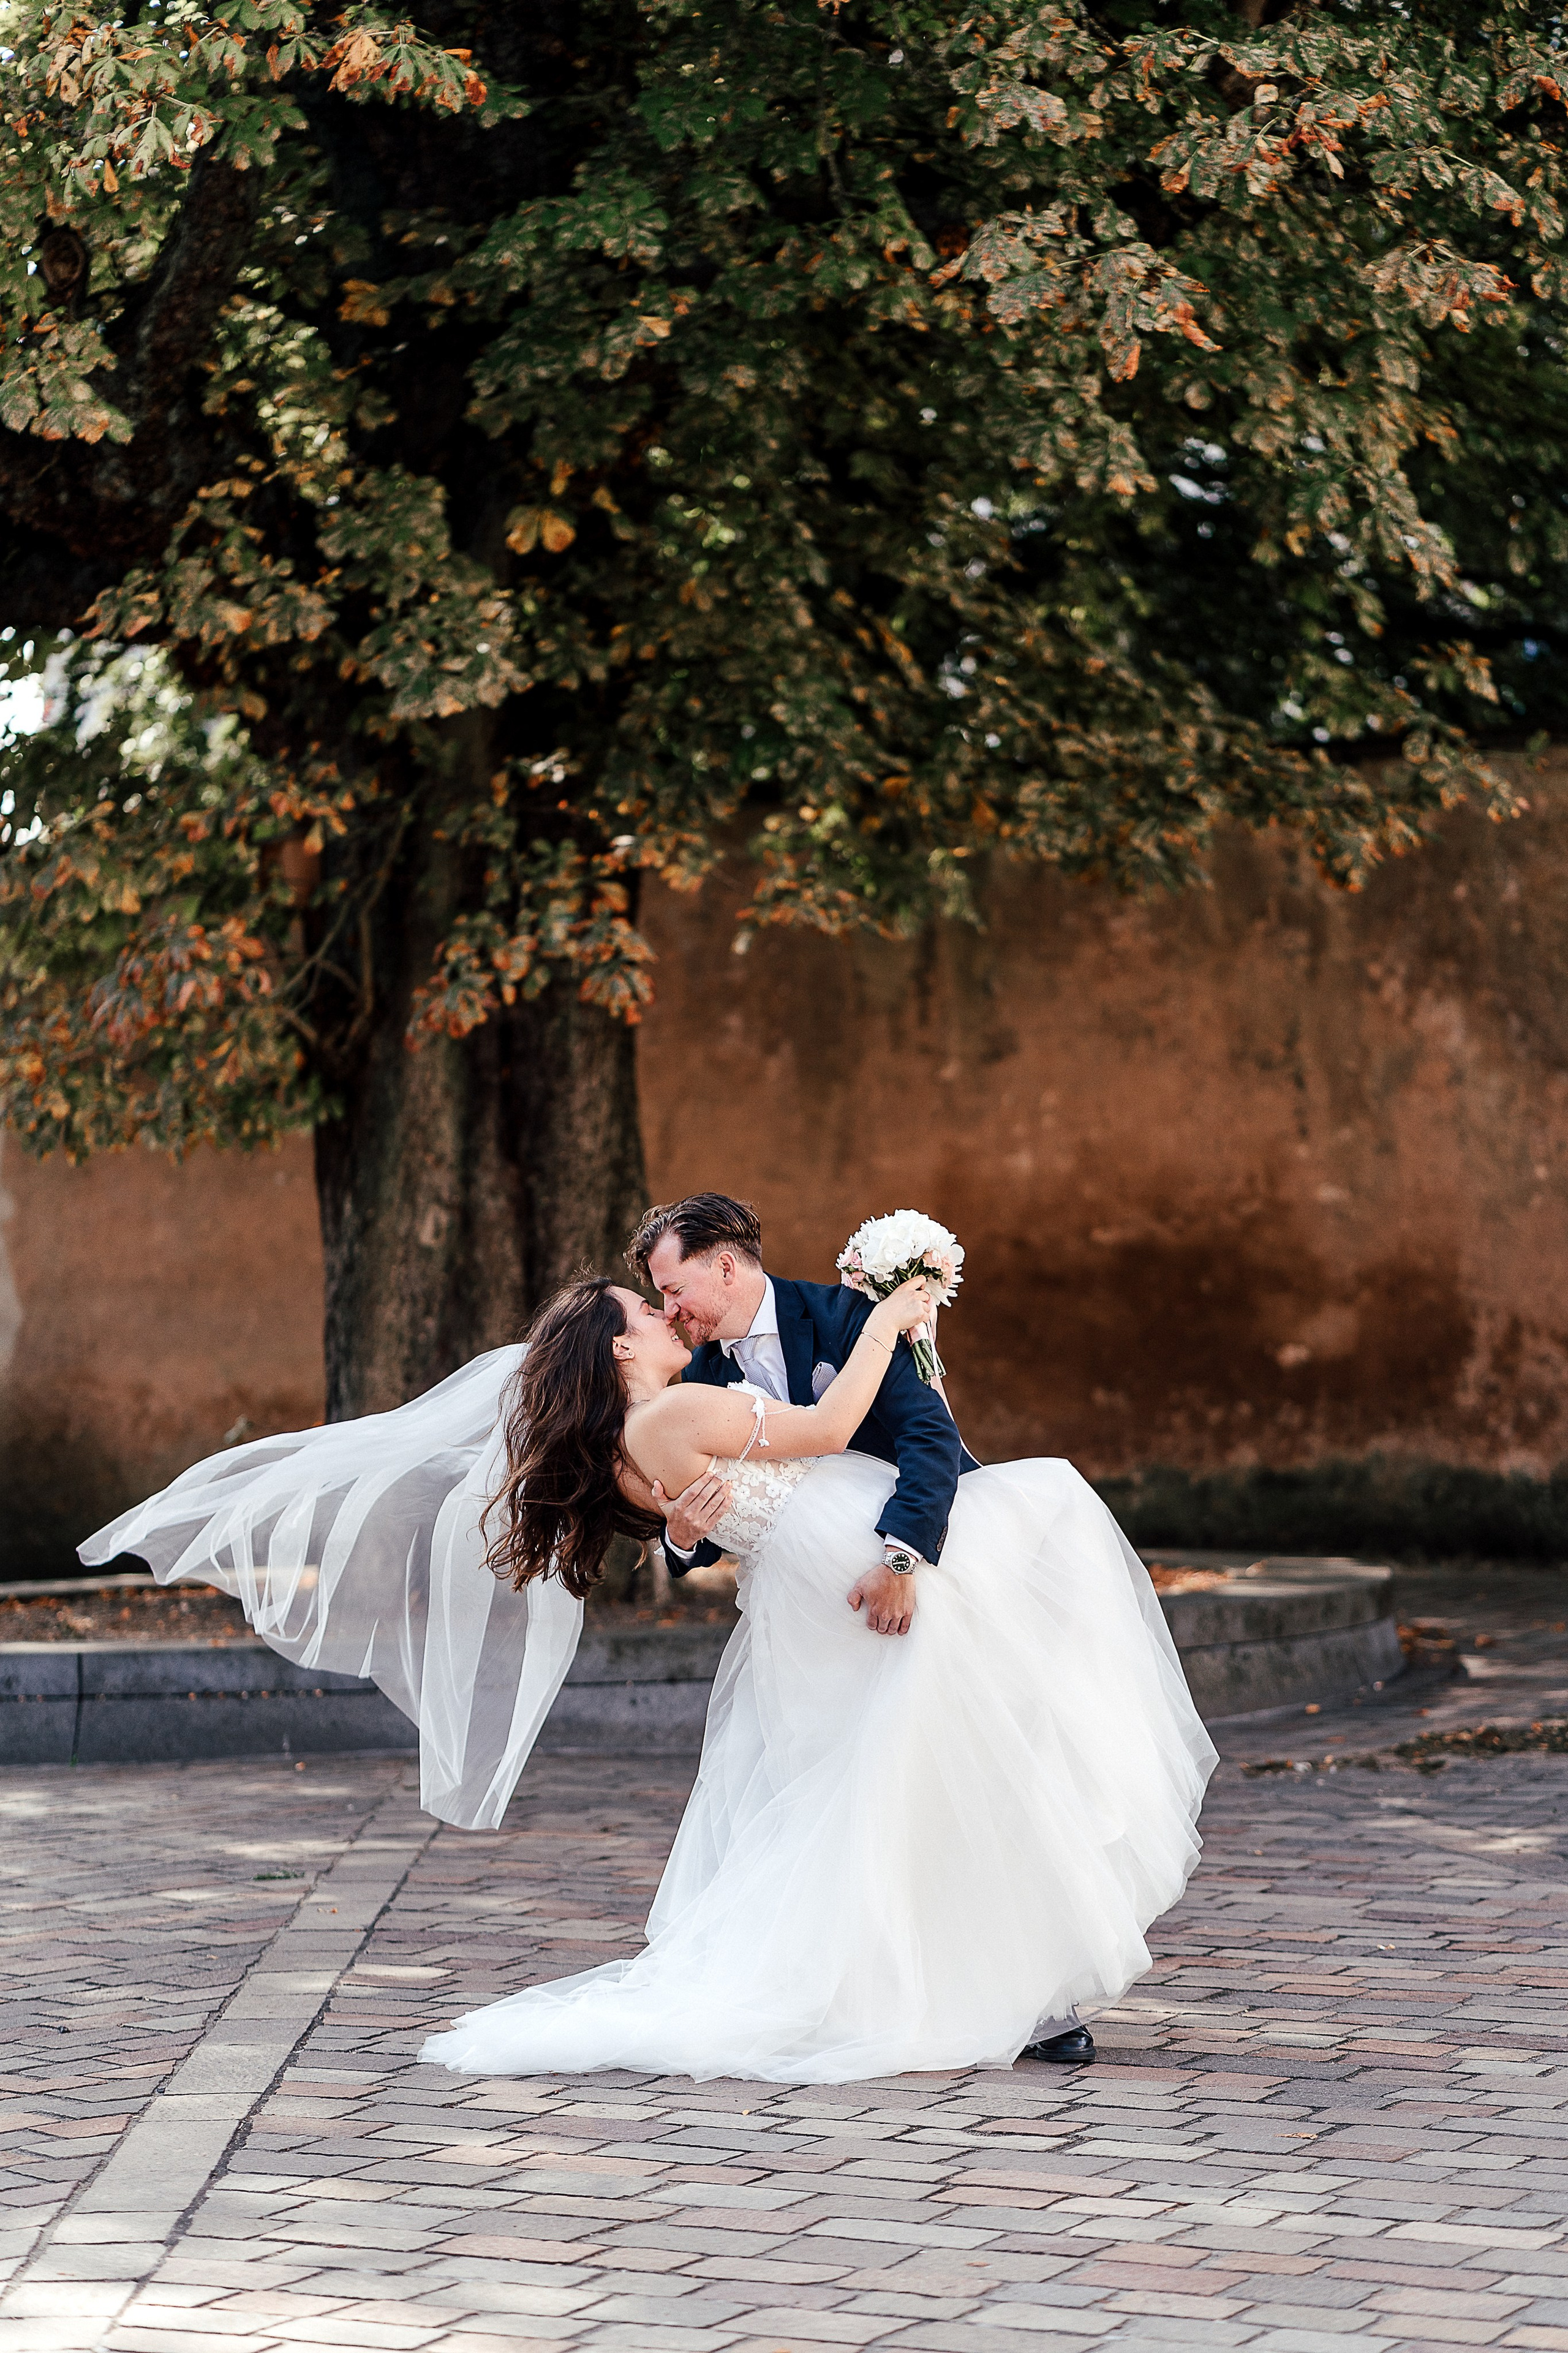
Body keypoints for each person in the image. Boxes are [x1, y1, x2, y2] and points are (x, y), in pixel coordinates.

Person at [416, 1262, 1216, 2087]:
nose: (664, 1314)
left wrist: (681, 1534)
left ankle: (954, 1988)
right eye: (645, 1310)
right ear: (620, 1347)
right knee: (1046, 1521)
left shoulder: (624, 1445)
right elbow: (831, 1428)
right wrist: (888, 1322)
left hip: (803, 1598)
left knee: (891, 1782)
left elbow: (700, 1523)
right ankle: (999, 1990)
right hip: (846, 1567)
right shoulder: (675, 1410)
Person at [628, 1193, 976, 1641]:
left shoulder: (849, 1314)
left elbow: (929, 1432)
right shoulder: (700, 1376)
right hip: (816, 1604)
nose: (669, 1311)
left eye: (675, 1290)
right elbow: (735, 1516)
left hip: (935, 1554)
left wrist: (901, 1560)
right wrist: (681, 1539)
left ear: (726, 1269)